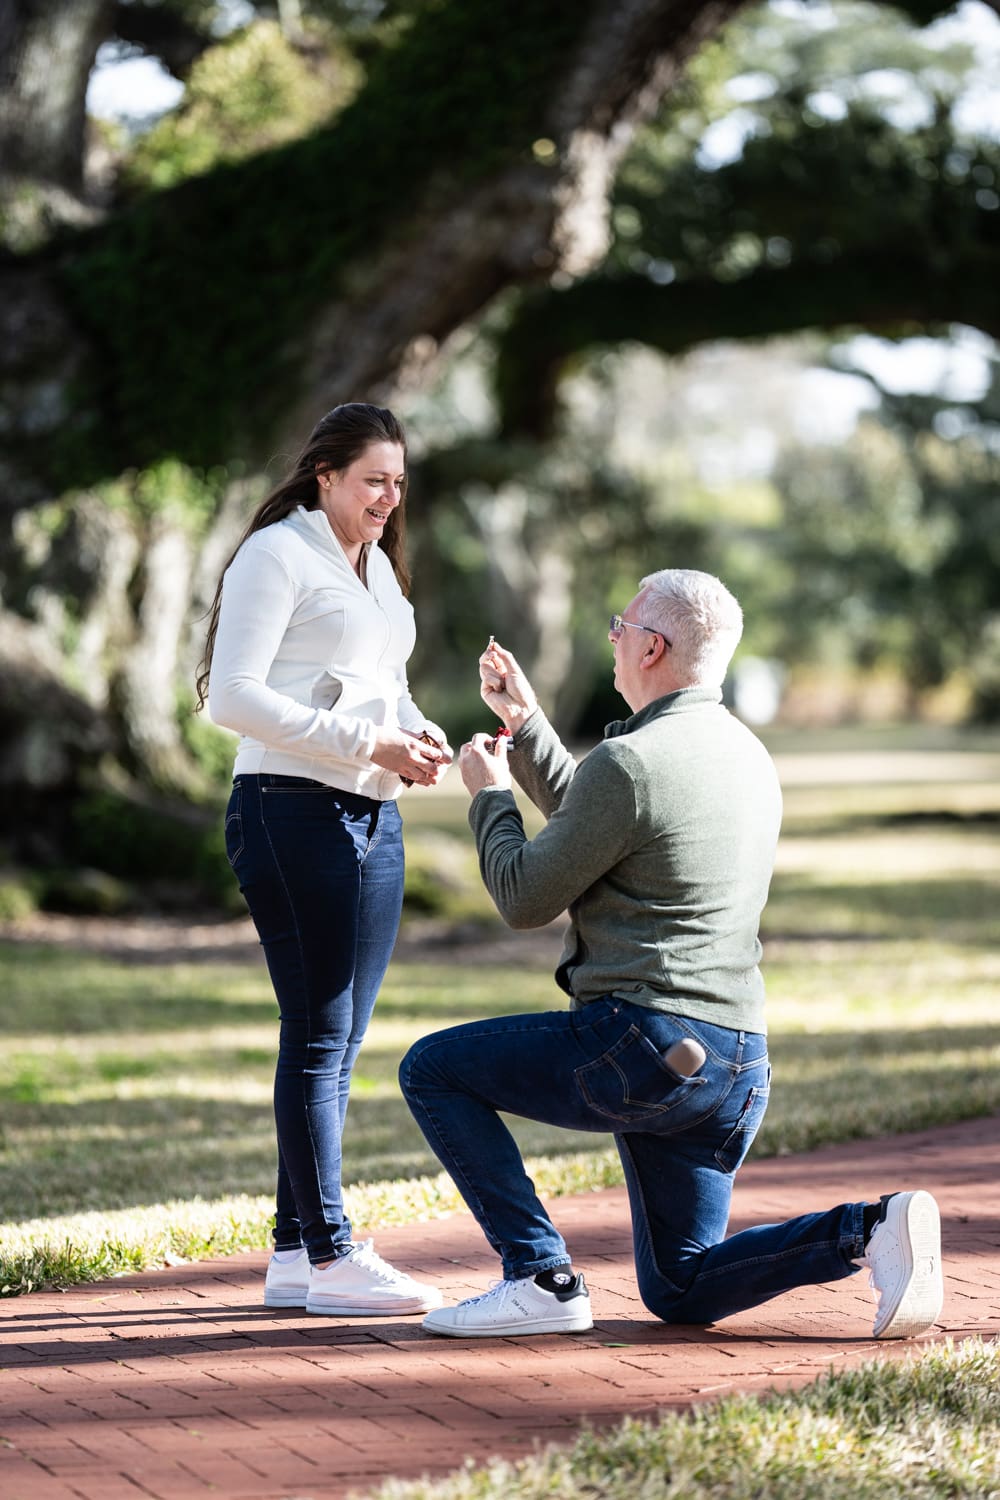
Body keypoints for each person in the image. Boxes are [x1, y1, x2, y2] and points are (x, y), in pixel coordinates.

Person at [399, 569, 943, 1340]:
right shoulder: (747, 756)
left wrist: (487, 795)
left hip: (640, 1047)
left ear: (653, 646)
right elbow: (605, 823)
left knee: (432, 1069)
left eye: (621, 629)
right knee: (682, 1286)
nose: (613, 641)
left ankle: (539, 1276)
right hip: (736, 1065)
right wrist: (524, 725)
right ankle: (868, 1227)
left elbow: (526, 896)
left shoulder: (633, 762)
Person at [197, 403, 450, 1318]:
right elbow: (233, 697)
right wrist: (363, 741)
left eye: (398, 484)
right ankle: (335, 1252)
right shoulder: (279, 554)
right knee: (316, 1032)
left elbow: (389, 683)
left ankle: (296, 1254)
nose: (389, 498)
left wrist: (414, 733)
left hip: (372, 816)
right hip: (289, 808)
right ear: (326, 475)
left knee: (338, 1043)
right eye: (374, 480)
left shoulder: (375, 565)